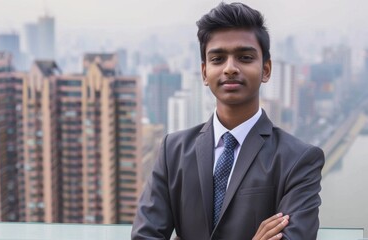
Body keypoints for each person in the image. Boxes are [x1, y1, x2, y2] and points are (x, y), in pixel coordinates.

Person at [131, 2, 325, 240]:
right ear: (204, 72)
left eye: (244, 57)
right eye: (218, 59)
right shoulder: (173, 152)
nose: (230, 68)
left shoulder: (298, 160)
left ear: (266, 69)